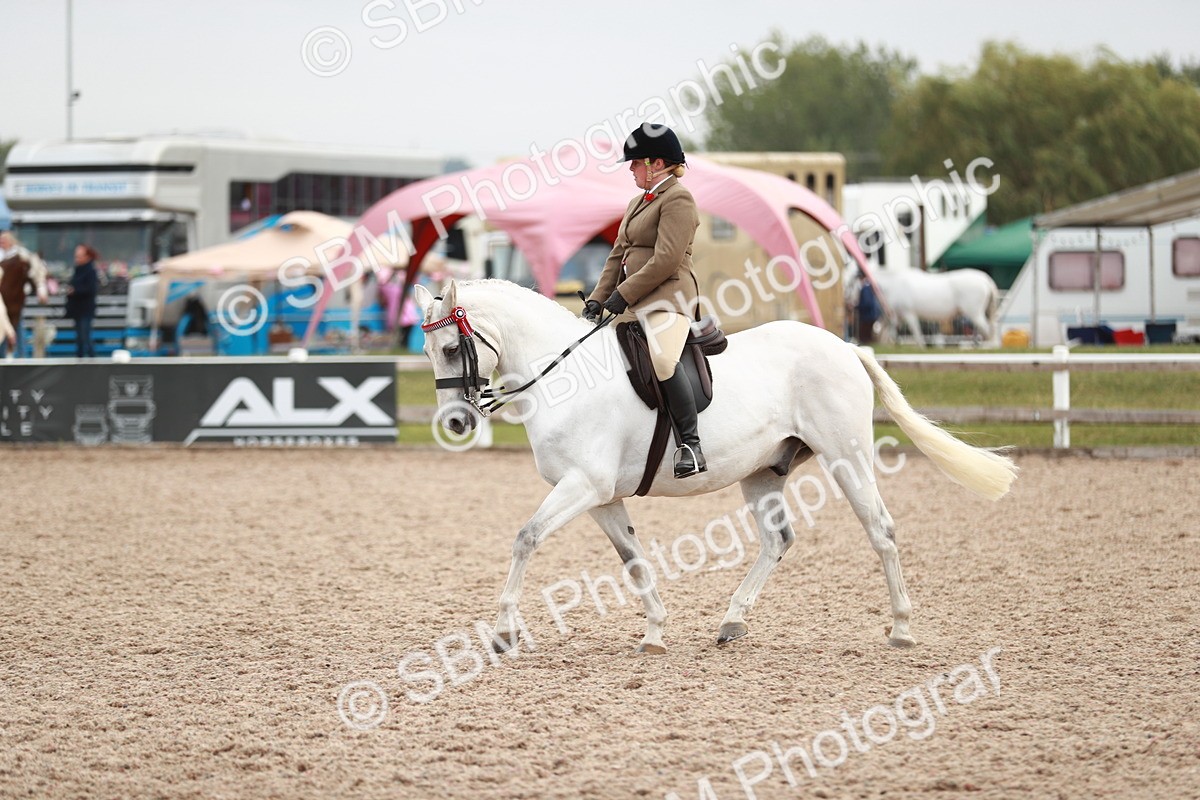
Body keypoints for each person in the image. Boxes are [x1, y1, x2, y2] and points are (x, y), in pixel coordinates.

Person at [584, 123, 707, 478]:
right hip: (635, 300)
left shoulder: (678, 199)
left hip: (669, 298)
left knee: (663, 359)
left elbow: (666, 259)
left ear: (657, 163)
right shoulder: (638, 201)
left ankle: (691, 444)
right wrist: (598, 298)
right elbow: (616, 255)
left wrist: (624, 294)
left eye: (636, 162)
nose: (631, 168)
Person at [0, 231, 50, 358]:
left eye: (4, 240)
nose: (2, 242)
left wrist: (41, 288)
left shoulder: (21, 255)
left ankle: (22, 357)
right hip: (2, 299)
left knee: (17, 328)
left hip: (15, 301)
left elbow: (37, 270)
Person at [65, 244, 99, 358]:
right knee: (79, 338)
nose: (77, 259)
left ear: (87, 256)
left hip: (86, 310)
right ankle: (79, 361)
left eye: (79, 256)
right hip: (77, 310)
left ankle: (93, 361)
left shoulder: (91, 271)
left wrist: (75, 291)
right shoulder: (77, 270)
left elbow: (90, 289)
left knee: (86, 337)